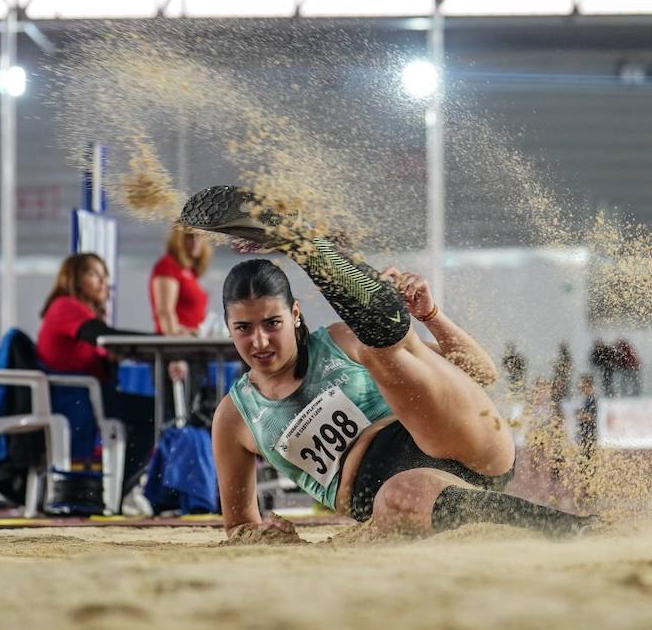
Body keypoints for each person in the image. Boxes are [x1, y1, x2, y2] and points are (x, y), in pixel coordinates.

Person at [180, 185, 595, 539]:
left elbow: (481, 374)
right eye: (243, 328)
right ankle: (577, 531)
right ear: (229, 328)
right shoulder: (234, 417)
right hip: (392, 493)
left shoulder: (338, 340)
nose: (260, 340)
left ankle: (307, 247)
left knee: (382, 352)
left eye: (272, 323)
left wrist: (432, 317)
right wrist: (268, 537)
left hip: (458, 438)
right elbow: (239, 527)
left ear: (296, 315)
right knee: (400, 494)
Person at [37, 253, 161, 496]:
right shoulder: (65, 305)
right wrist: (163, 339)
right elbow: (101, 334)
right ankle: (118, 489)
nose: (103, 282)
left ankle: (118, 488)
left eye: (105, 276)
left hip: (86, 394)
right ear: (72, 277)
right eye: (93, 274)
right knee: (155, 413)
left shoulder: (78, 311)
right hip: (70, 397)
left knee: (153, 412)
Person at [149, 224, 212, 336]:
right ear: (178, 239)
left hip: (192, 339)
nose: (196, 242)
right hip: (176, 344)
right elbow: (164, 311)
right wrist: (175, 338)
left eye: (200, 236)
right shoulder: (168, 265)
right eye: (190, 236)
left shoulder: (190, 272)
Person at [575, 375, 599, 464]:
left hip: (589, 433)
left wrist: (581, 415)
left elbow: (592, 416)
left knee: (588, 458)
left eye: (583, 385)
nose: (581, 387)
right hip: (585, 432)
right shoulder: (585, 399)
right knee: (584, 458)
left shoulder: (592, 399)